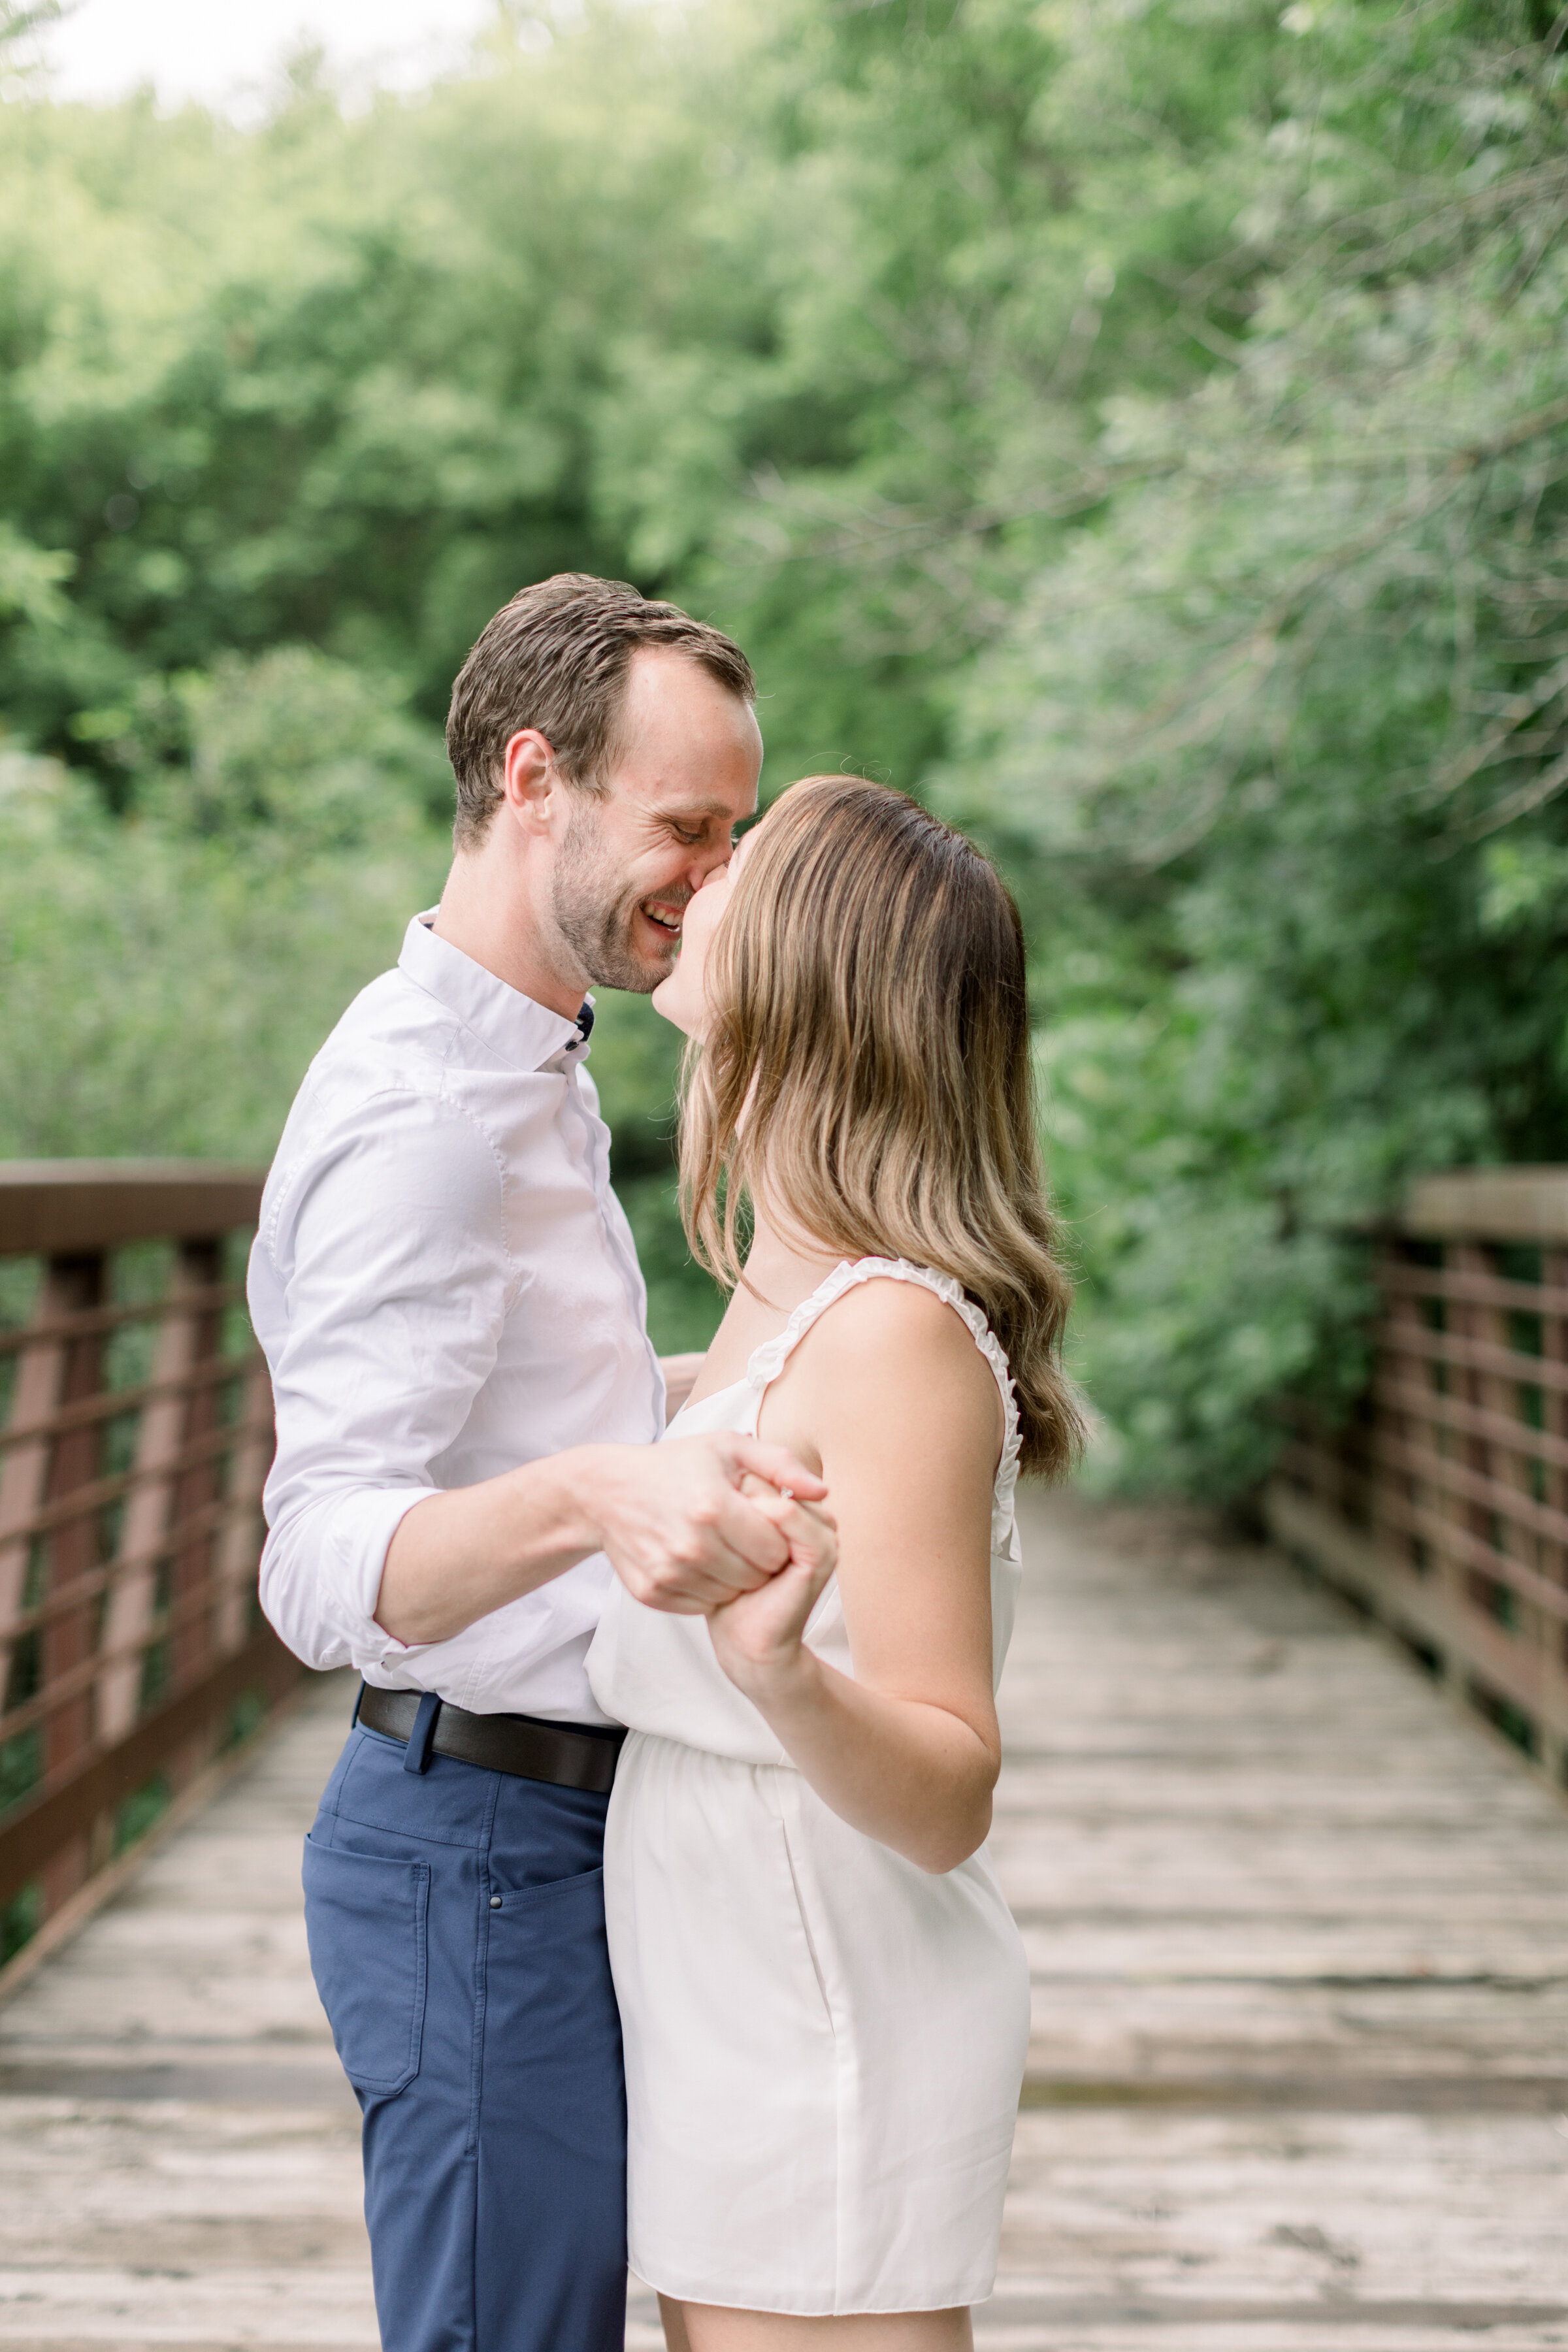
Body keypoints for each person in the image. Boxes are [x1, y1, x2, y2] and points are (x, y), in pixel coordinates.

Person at [247, 575, 835, 2352]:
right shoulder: (426, 1114)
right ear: (533, 779)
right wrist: (600, 1497)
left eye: (737, 833)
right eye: (689, 828)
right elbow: (318, 1559)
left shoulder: (539, 1062)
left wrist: (751, 1390)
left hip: (560, 1829)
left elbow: (528, 1398)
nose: (720, 879)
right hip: (475, 1850)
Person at [586, 776, 1083, 2351]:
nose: (702, 879)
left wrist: (781, 1670)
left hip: (825, 1989)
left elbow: (948, 1785)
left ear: (809, 966)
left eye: (746, 862)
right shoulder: (792, 1299)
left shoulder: (891, 1336)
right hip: (739, 1961)